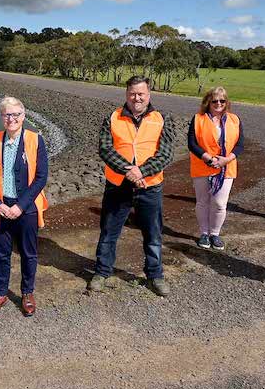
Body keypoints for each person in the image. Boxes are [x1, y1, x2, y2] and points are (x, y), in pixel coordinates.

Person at [88, 76, 175, 296]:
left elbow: (165, 154)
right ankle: (101, 272)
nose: (136, 98)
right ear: (126, 94)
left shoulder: (162, 118)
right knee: (108, 232)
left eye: (141, 94)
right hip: (118, 185)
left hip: (150, 186)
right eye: (132, 94)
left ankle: (155, 275)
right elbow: (106, 149)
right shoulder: (113, 117)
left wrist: (141, 171)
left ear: (149, 95)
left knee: (153, 234)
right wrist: (129, 171)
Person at [0, 97, 49, 317]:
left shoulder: (35, 140)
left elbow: (40, 177)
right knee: (1, 254)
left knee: (29, 253)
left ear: (23, 115)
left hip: (25, 208)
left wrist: (20, 206)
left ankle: (27, 293)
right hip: (0, 208)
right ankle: (1, 293)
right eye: (7, 115)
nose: (11, 119)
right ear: (2, 117)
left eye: (15, 114)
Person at [188, 87, 245, 251]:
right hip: (202, 165)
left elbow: (240, 144)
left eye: (222, 100)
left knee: (220, 203)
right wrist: (208, 158)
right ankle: (204, 233)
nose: (218, 103)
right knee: (203, 202)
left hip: (226, 167)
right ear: (208, 102)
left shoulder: (235, 119)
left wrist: (226, 160)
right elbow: (192, 143)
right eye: (214, 101)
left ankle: (215, 233)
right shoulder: (198, 118)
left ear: (227, 102)